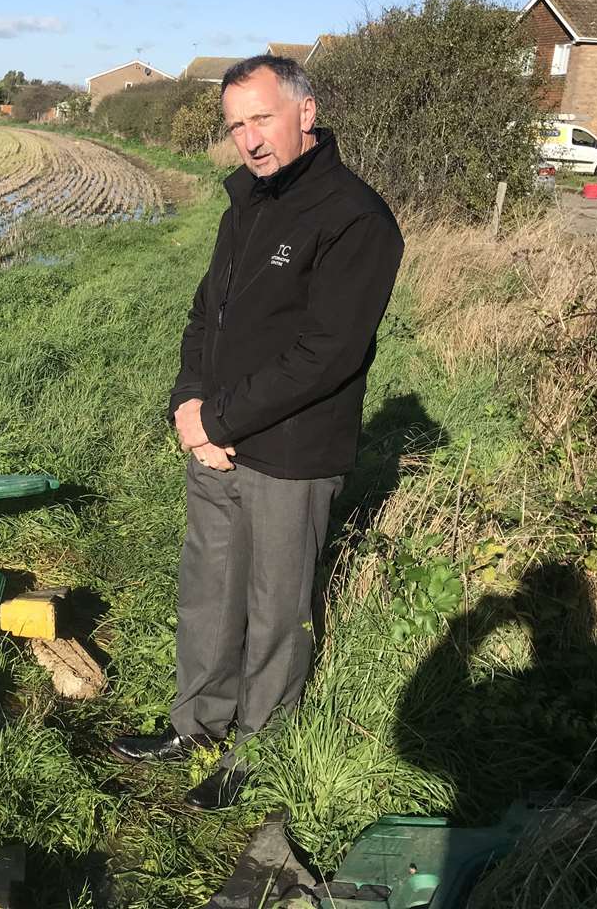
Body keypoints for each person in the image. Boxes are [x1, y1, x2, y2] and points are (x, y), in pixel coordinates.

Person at [109, 55, 403, 810]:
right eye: (236, 124)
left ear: (306, 113)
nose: (249, 138)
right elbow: (208, 313)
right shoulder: (247, 202)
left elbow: (326, 354)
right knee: (208, 588)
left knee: (277, 606)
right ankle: (198, 722)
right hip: (215, 441)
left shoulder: (355, 218)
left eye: (262, 118)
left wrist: (219, 420)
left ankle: (258, 751)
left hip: (291, 452)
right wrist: (188, 404)